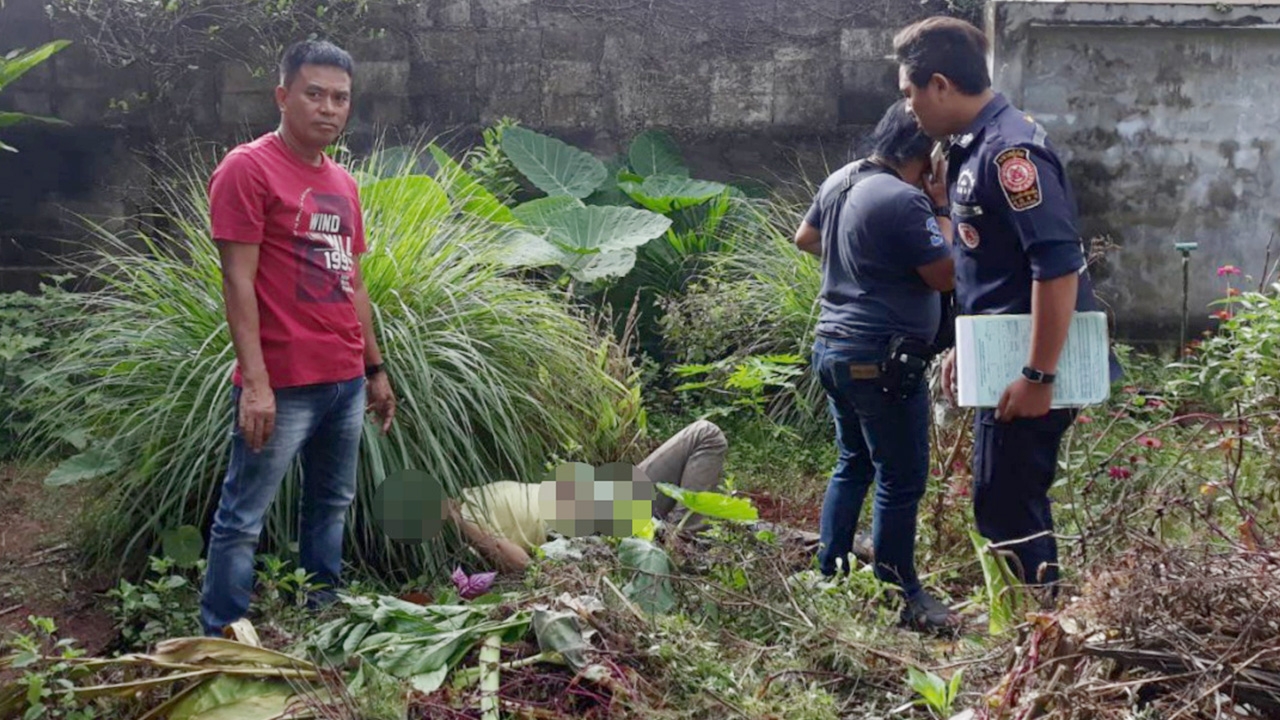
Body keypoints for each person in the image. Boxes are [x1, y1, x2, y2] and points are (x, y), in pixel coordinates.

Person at [893, 17, 1115, 591]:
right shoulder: (971, 147)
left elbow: (1056, 265)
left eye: (910, 92)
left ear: (939, 83)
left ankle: (1036, 642)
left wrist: (1038, 374)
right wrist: (965, 347)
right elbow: (990, 269)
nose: (909, 108)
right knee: (1002, 504)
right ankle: (1030, 638)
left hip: (1028, 369)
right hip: (1003, 362)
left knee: (1009, 510)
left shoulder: (1010, 153)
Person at [199, 40, 396, 636]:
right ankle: (224, 636)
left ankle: (321, 620)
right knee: (243, 517)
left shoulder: (343, 182)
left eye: (340, 98)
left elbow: (352, 283)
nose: (328, 108)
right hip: (281, 385)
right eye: (314, 94)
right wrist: (255, 383)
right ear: (283, 96)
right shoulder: (247, 168)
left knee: (330, 505)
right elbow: (238, 281)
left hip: (341, 381)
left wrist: (375, 369)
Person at [793, 100, 958, 631]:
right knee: (901, 477)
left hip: (833, 349)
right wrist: (941, 206)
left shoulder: (843, 179)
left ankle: (830, 572)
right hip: (879, 359)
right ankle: (899, 592)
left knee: (854, 462)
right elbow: (946, 276)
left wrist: (865, 260)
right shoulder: (906, 200)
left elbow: (807, 238)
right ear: (928, 153)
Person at [444, 420, 802, 574]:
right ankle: (683, 542)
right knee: (705, 435)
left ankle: (841, 544)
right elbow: (521, 564)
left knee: (733, 524)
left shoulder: (468, 493)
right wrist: (460, 520)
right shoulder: (466, 534)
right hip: (593, 518)